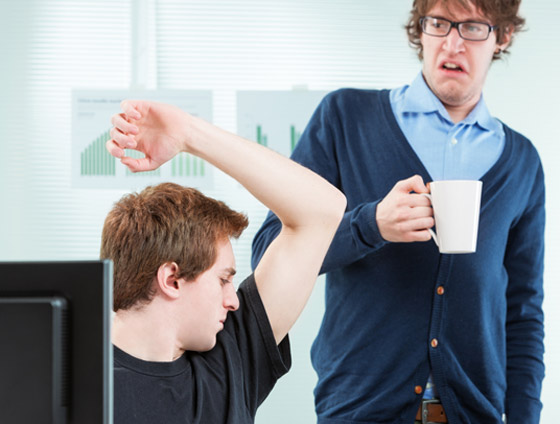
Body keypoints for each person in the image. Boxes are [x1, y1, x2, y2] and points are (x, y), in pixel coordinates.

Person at [251, 1, 545, 423]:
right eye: (439, 23)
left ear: (502, 36)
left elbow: (523, 313)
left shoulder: (522, 162)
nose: (452, 44)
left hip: (474, 412)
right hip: (359, 409)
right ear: (420, 29)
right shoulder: (345, 119)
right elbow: (268, 251)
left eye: (473, 27)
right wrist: (370, 225)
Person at [103, 100, 346, 423]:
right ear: (172, 279)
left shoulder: (231, 356)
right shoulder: (75, 386)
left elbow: (323, 210)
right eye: (222, 280)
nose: (233, 301)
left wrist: (189, 134)